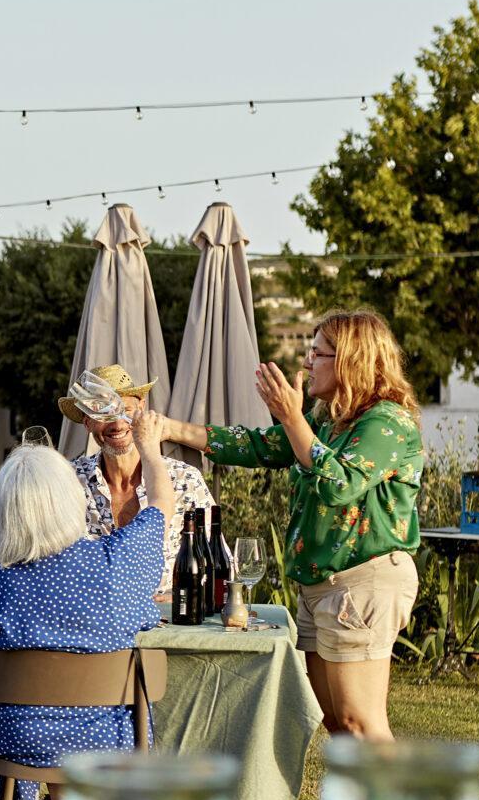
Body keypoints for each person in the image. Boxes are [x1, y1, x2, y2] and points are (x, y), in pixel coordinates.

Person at [163, 309, 424, 740]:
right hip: (322, 585)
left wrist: (293, 417)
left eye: (317, 353)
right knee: (337, 725)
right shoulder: (327, 419)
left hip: (362, 581)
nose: (305, 363)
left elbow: (339, 484)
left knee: (362, 722)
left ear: (350, 360)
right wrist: (174, 429)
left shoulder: (387, 422)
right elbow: (261, 446)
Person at [0, 406, 174, 800]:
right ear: (70, 498)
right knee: (88, 725)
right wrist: (150, 452)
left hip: (18, 740)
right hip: (104, 742)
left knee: (54, 722)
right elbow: (161, 508)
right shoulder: (113, 563)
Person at [63, 363, 216, 595]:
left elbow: (218, 565)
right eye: (103, 412)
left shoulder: (185, 479)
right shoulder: (67, 483)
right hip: (93, 626)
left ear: (141, 409)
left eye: (125, 409)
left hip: (172, 623)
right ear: (87, 422)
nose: (117, 424)